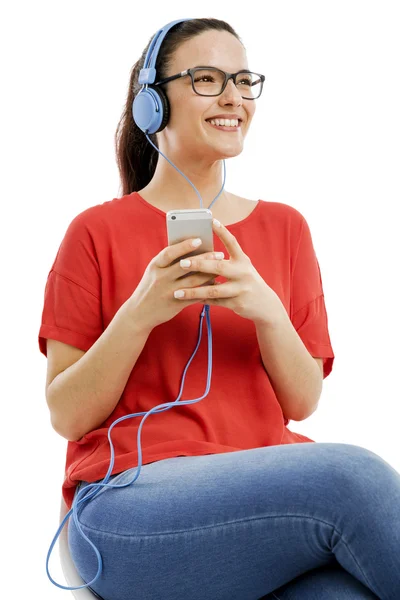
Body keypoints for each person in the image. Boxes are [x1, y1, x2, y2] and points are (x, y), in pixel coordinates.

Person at [38, 17, 400, 600]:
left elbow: (302, 402)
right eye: (207, 78)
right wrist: (141, 312)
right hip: (131, 505)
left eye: (243, 79)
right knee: (353, 478)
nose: (234, 97)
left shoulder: (286, 228)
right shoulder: (95, 231)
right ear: (152, 105)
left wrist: (266, 310)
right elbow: (66, 416)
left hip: (260, 507)